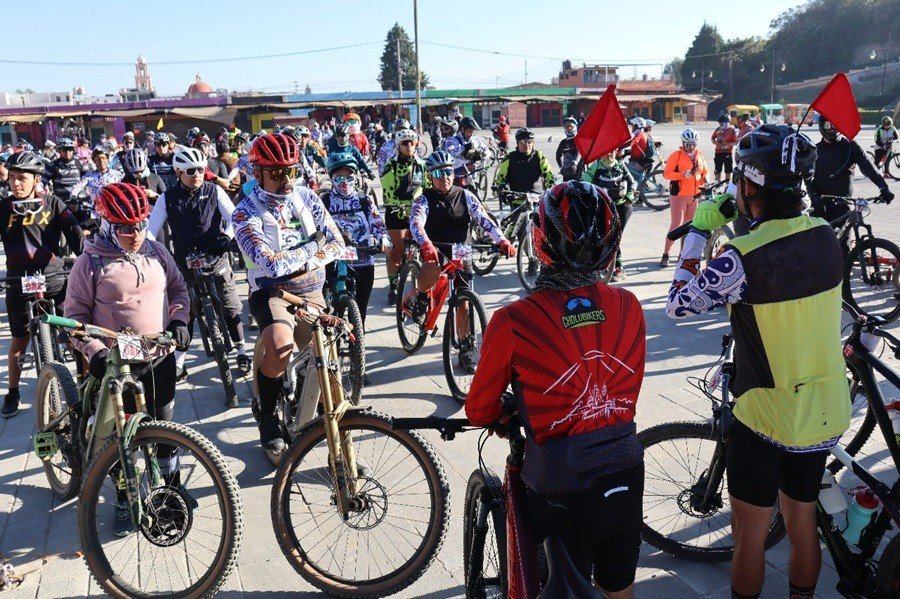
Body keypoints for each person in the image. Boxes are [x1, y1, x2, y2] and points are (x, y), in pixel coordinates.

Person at [666, 124, 848, 599]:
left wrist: (699, 231)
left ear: (749, 186)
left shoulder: (739, 257)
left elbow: (678, 305)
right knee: (802, 521)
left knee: (750, 538)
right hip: (824, 408)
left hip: (766, 413)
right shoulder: (827, 235)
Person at [466, 180, 645, 599]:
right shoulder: (630, 305)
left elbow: (478, 410)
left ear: (539, 241)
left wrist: (503, 411)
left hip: (561, 484)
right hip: (626, 471)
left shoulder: (513, 320)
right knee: (620, 587)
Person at [64, 182, 190, 535]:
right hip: (116, 363)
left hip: (158, 354)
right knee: (120, 436)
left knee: (164, 427)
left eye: (140, 225)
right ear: (107, 225)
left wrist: (180, 320)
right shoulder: (90, 263)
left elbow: (178, 289)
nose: (135, 234)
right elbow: (74, 318)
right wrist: (95, 352)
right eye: (124, 228)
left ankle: (170, 490)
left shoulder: (157, 251)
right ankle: (123, 494)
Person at [231, 133, 344, 453]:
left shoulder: (307, 197)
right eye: (277, 173)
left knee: (329, 369)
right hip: (272, 293)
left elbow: (337, 242)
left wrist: (303, 256)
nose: (286, 179)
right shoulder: (244, 213)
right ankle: (266, 415)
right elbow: (271, 265)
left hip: (312, 291)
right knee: (281, 347)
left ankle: (341, 448)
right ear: (258, 174)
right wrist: (314, 247)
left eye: (291, 170)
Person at [146, 147, 250, 379]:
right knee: (184, 312)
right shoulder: (167, 198)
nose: (197, 175)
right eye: (191, 171)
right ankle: (179, 360)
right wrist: (153, 253)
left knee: (230, 306)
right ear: (178, 172)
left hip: (216, 257)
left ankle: (242, 350)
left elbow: (235, 218)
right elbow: (151, 232)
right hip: (184, 263)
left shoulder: (214, 191)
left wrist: (226, 237)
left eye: (201, 170)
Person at [408, 150, 515, 372]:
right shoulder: (424, 199)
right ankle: (421, 297)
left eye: (448, 172)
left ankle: (465, 349)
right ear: (430, 176)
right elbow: (416, 223)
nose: (445, 177)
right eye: (438, 174)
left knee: (463, 300)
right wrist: (426, 243)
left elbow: (484, 219)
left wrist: (502, 240)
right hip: (435, 248)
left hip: (461, 249)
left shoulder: (465, 195)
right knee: (431, 267)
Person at [0, 151, 83, 418]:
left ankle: (85, 382)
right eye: (12, 177)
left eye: (22, 178)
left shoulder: (54, 204)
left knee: (76, 335)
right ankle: (13, 391)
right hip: (18, 282)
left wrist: (86, 260)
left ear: (37, 179)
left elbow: (76, 237)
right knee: (19, 341)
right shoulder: (3, 208)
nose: (15, 183)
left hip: (54, 280)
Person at [323, 151, 388, 331]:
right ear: (332, 178)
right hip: (335, 258)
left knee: (360, 309)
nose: (344, 182)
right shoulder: (325, 201)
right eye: (339, 177)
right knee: (327, 301)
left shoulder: (363, 200)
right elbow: (316, 226)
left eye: (349, 177)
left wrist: (383, 237)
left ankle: (358, 338)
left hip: (363, 258)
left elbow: (376, 220)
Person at [807, 117, 893, 225]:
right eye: (828, 125)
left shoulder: (851, 146)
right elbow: (805, 177)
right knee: (819, 235)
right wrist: (813, 196)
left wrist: (884, 187)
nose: (832, 129)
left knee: (844, 234)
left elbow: (869, 168)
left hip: (843, 203)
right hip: (819, 204)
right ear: (821, 126)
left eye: (836, 125)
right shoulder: (815, 149)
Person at [381, 128, 428, 305]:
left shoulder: (422, 165)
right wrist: (398, 206)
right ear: (398, 146)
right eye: (405, 143)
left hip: (417, 212)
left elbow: (428, 187)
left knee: (426, 248)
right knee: (397, 250)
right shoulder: (391, 166)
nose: (409, 146)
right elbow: (388, 191)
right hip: (396, 211)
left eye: (412, 142)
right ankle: (393, 287)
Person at [582, 151, 636, 281]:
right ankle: (602, 264)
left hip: (622, 206)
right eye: (606, 152)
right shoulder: (596, 166)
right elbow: (584, 183)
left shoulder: (620, 165)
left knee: (616, 236)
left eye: (612, 151)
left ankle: (618, 267)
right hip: (603, 206)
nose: (610, 154)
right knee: (604, 236)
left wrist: (630, 195)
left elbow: (632, 182)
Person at [660, 128, 708, 267]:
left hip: (694, 195)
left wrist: (706, 178)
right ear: (683, 143)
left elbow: (705, 171)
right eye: (688, 144)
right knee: (676, 225)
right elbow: (667, 174)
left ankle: (682, 254)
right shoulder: (676, 156)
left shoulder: (700, 156)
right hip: (679, 195)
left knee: (689, 227)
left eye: (693, 144)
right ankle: (666, 254)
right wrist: (683, 175)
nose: (691, 147)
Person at [494, 127, 555, 202]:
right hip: (517, 200)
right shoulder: (509, 158)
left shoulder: (539, 156)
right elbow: (501, 178)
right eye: (523, 142)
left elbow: (548, 175)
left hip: (538, 200)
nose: (527, 144)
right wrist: (502, 188)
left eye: (530, 141)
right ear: (517, 143)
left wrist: (551, 187)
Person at [441, 116, 488, 187]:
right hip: (456, 173)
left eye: (472, 132)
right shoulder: (451, 140)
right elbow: (451, 153)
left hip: (470, 173)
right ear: (463, 129)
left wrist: (484, 154)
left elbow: (486, 149)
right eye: (469, 131)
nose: (471, 134)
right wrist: (464, 148)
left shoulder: (474, 139)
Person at [44, 138, 84, 202]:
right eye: (65, 150)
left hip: (79, 201)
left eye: (70, 149)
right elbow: (42, 181)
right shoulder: (52, 165)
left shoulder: (80, 163)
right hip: (60, 203)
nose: (67, 152)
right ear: (59, 151)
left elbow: (89, 179)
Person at [711, 115, 738, 182]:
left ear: (726, 122)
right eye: (719, 123)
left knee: (728, 169)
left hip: (728, 153)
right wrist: (714, 142)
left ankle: (727, 183)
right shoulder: (718, 129)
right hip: (718, 153)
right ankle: (718, 182)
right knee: (718, 169)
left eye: (721, 123)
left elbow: (735, 142)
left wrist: (728, 145)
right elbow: (712, 138)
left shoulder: (732, 130)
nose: (720, 124)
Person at [556, 117, 581, 181]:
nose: (569, 128)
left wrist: (575, 163)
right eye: (567, 126)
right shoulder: (563, 142)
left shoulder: (578, 140)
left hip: (579, 173)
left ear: (575, 127)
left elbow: (579, 153)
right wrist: (561, 167)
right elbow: (558, 155)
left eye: (571, 126)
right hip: (567, 173)